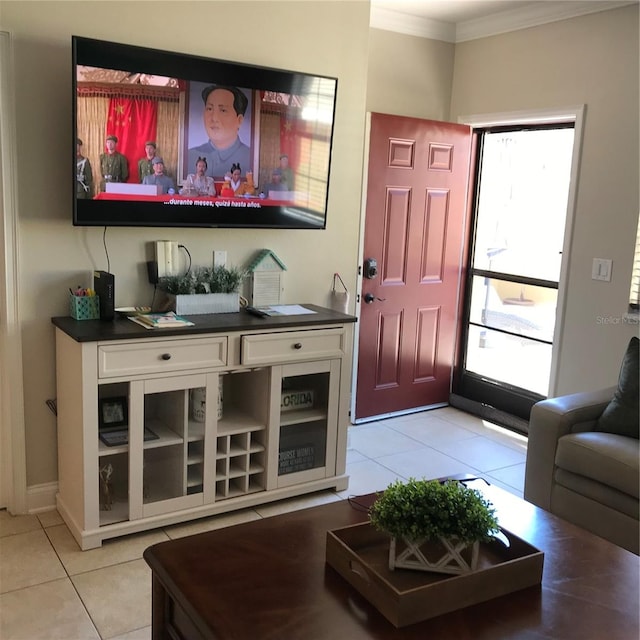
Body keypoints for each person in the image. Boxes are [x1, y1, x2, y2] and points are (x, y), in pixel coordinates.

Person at [187, 85, 251, 179]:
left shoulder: (249, 156)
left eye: (223, 110)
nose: (214, 118)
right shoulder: (190, 154)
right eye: (209, 109)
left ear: (239, 120)